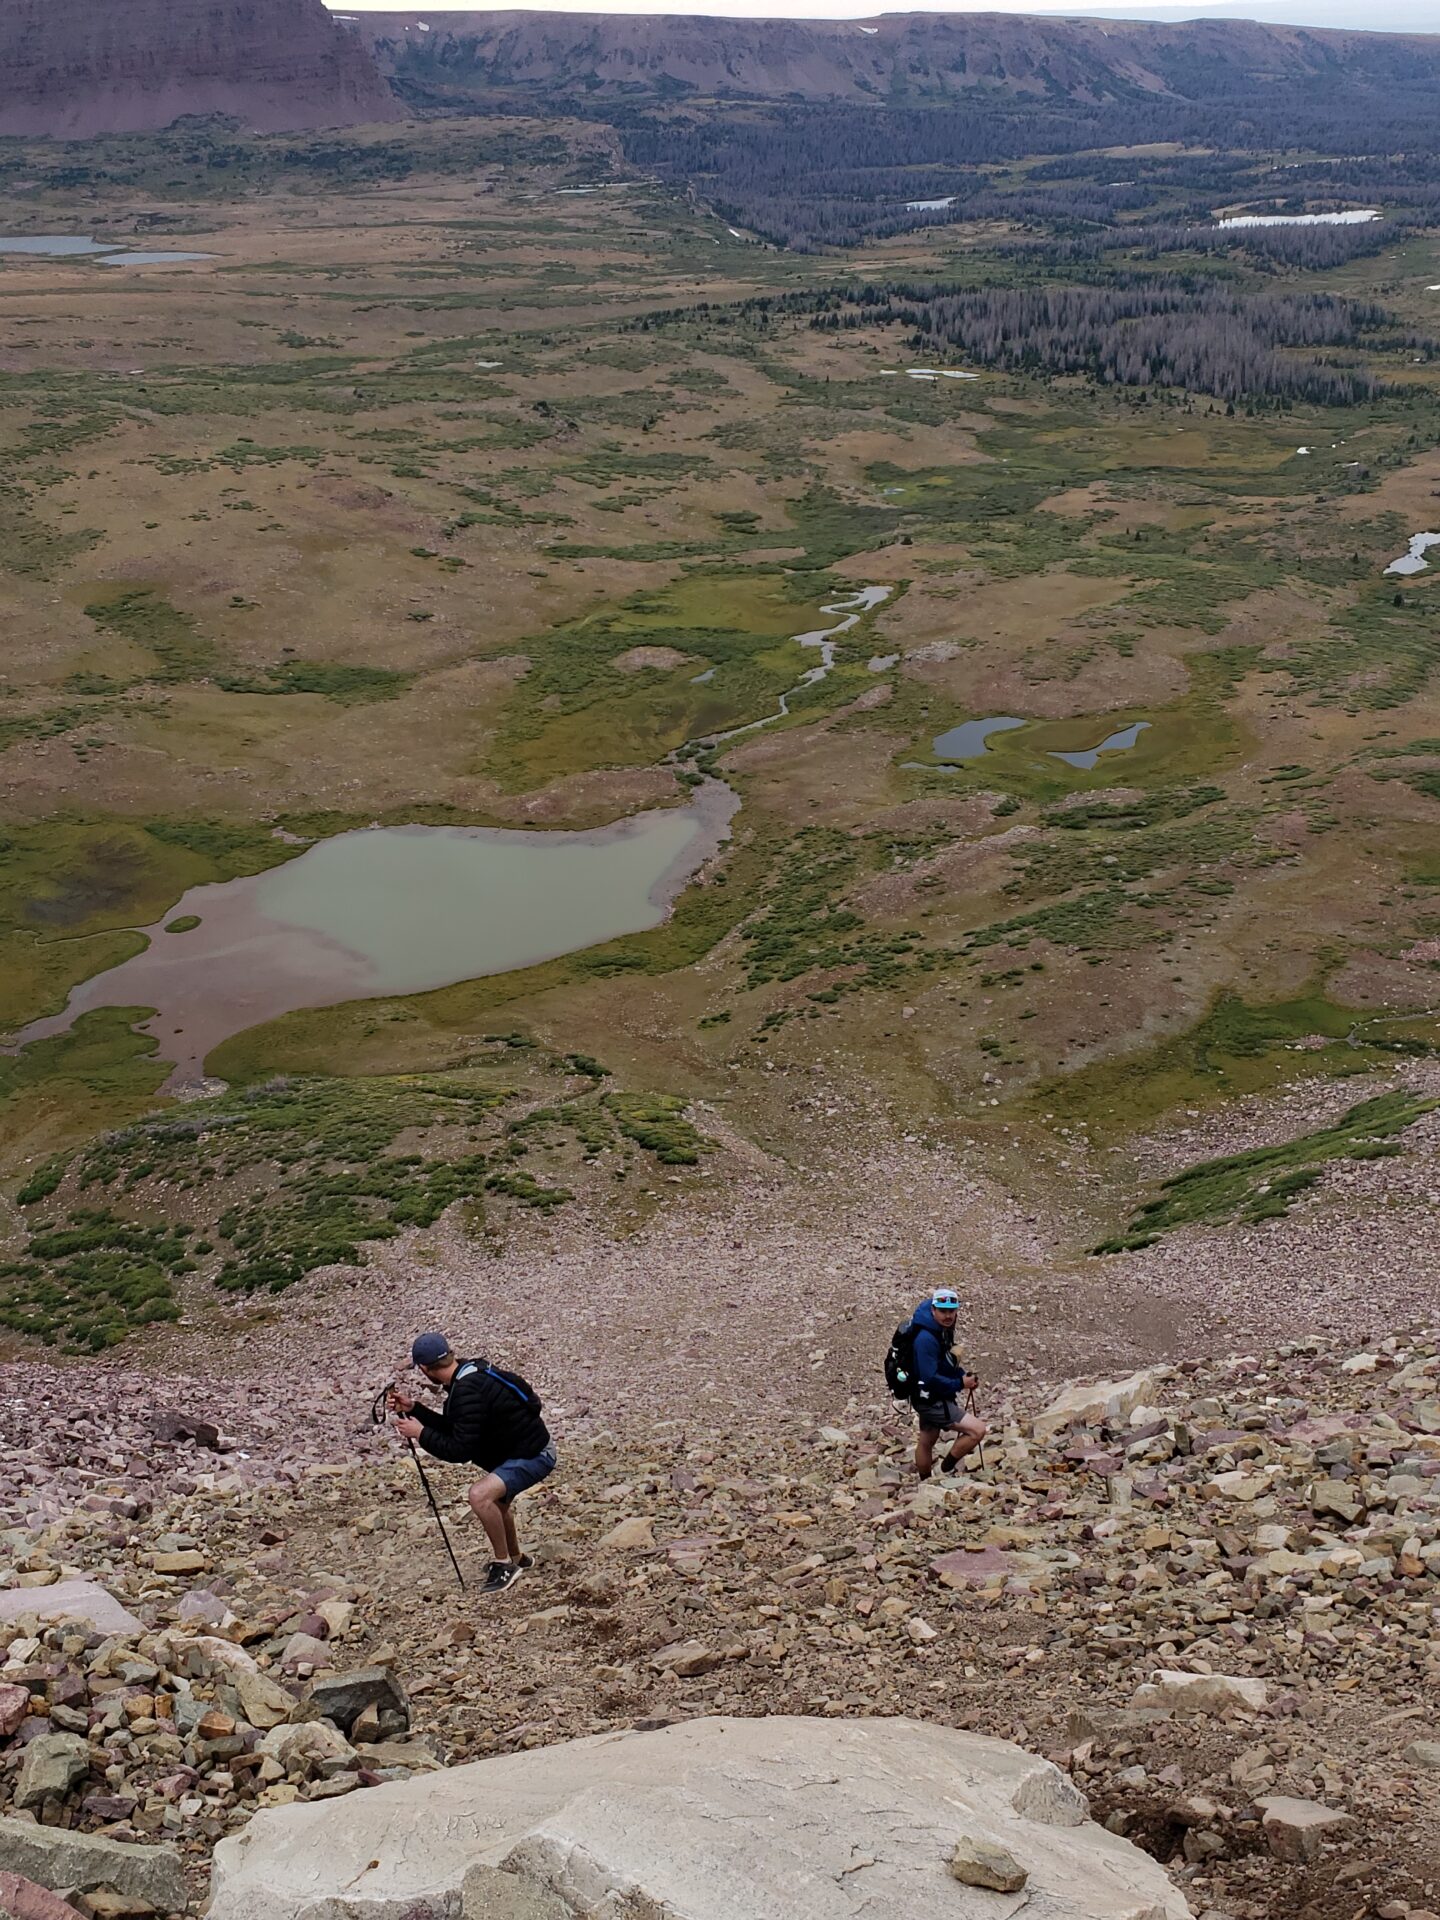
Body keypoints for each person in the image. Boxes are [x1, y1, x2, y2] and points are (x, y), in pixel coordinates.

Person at [389, 1332, 555, 1596]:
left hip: (534, 1455)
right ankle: (516, 1558)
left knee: (480, 1496)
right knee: (498, 1502)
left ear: (423, 1368)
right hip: (527, 1448)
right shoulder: (470, 1371)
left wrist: (419, 1433)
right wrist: (415, 1409)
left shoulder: (465, 1390)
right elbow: (459, 1428)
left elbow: (459, 1449)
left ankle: (503, 1566)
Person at [909, 1286, 987, 1480]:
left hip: (923, 1397)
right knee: (977, 1430)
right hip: (933, 1399)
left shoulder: (938, 1330)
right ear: (933, 1310)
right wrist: (961, 1383)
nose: (948, 1316)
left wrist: (961, 1375)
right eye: (943, 1311)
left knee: (928, 1439)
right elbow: (930, 1378)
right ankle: (946, 1469)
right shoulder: (926, 1339)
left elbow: (943, 1364)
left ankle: (925, 1481)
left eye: (951, 1311)